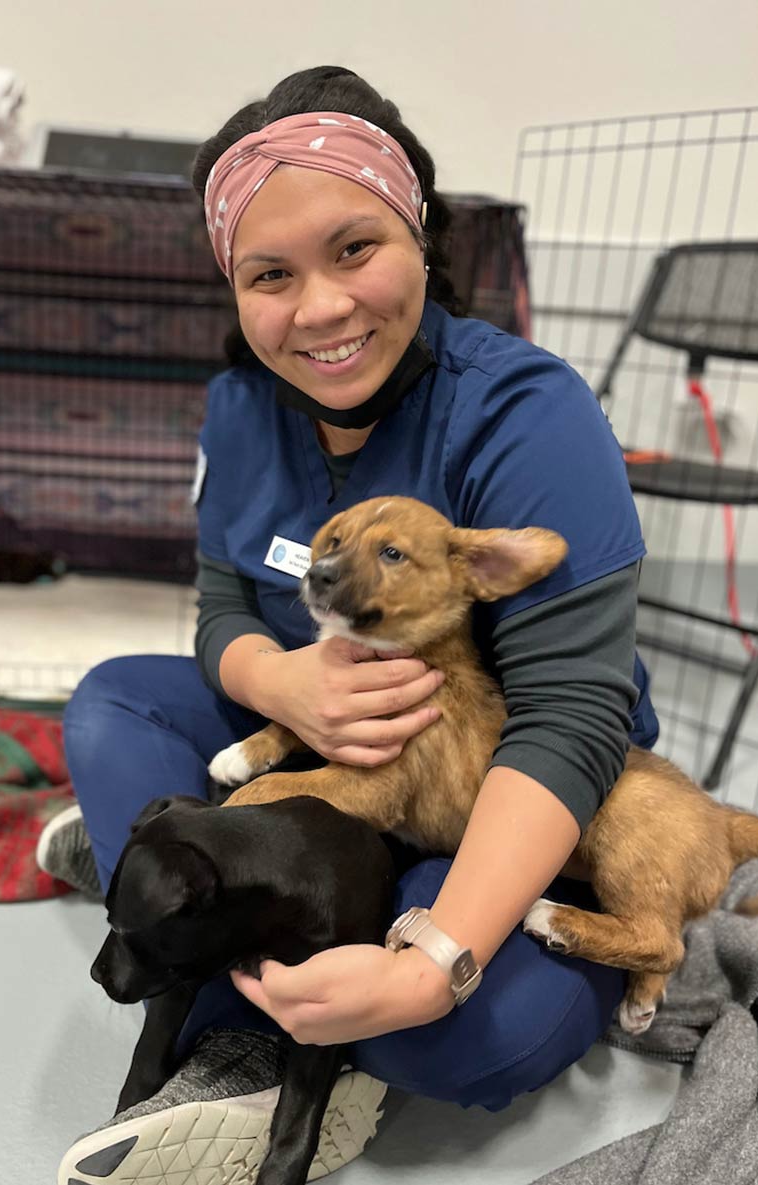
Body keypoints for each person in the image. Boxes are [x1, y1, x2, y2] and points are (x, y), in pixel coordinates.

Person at [41, 64, 660, 1184]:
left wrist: (434, 962)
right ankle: (238, 1004)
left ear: (419, 234)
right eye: (269, 274)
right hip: (321, 748)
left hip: (488, 783)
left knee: (472, 1033)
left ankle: (171, 870)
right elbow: (225, 600)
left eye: (354, 249)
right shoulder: (238, 406)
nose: (319, 309)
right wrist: (279, 684)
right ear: (232, 289)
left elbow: (571, 714)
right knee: (113, 699)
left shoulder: (528, 413)